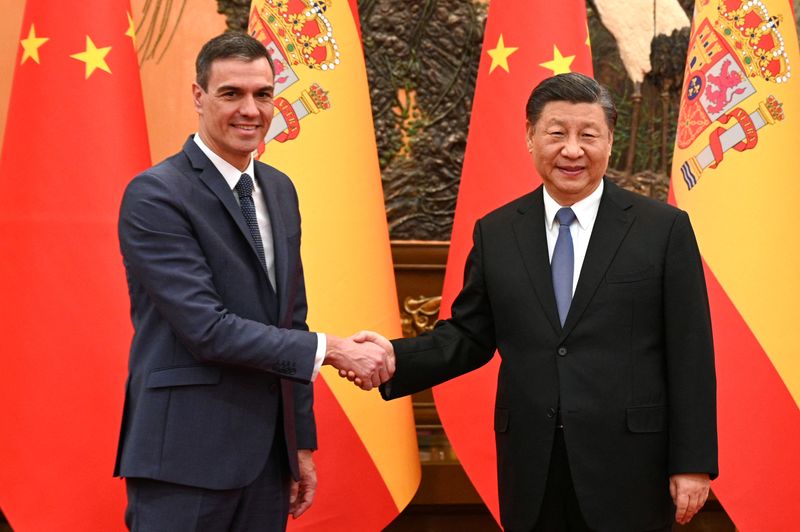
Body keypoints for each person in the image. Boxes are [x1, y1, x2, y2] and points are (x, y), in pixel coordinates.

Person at [355, 73, 718, 531]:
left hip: (631, 465)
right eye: (556, 133)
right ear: (530, 138)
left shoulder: (662, 229)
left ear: (609, 140)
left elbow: (690, 352)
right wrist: (390, 357)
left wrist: (693, 462)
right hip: (533, 462)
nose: (572, 150)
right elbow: (468, 336)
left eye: (588, 135)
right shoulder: (498, 231)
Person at [114, 32, 392, 531]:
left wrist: (299, 444)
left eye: (263, 94)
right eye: (231, 94)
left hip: (267, 461)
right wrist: (332, 349)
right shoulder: (156, 195)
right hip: (185, 459)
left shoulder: (279, 189)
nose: (251, 110)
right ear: (199, 96)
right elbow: (207, 328)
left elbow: (292, 318)